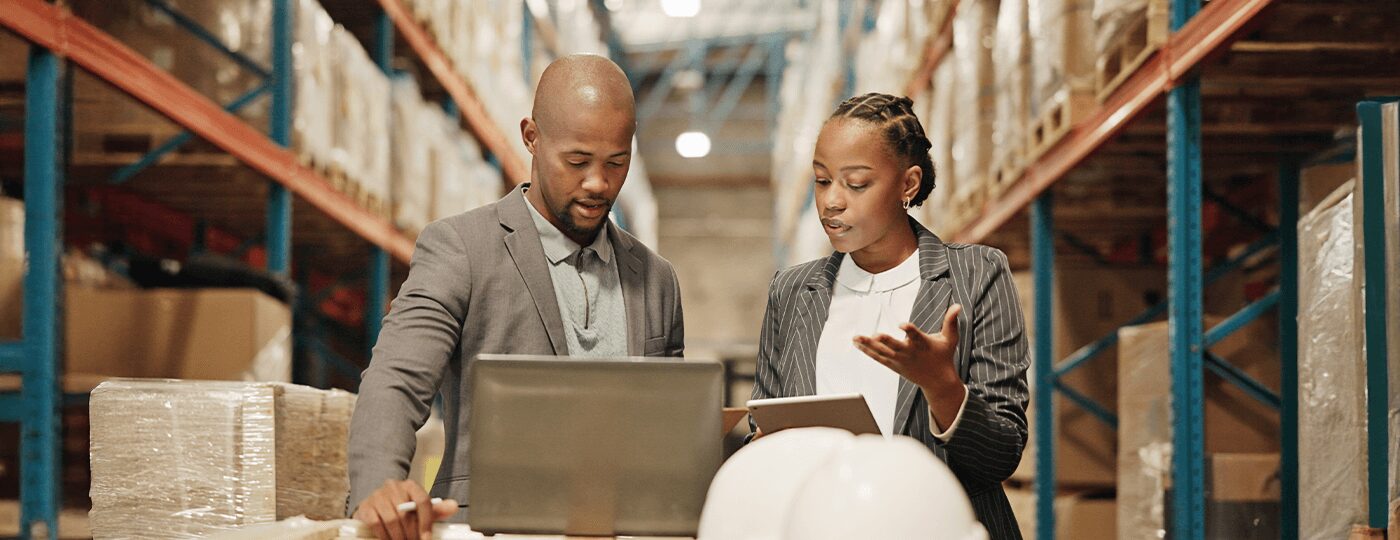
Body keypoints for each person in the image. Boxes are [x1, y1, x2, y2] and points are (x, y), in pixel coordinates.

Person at [347, 54, 685, 540]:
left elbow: (670, 431)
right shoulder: (462, 249)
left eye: (616, 162)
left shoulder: (657, 280)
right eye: (576, 161)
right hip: (490, 530)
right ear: (531, 136)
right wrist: (378, 489)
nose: (597, 183)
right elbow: (396, 380)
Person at [750, 92, 1029, 539]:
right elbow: (761, 429)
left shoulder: (977, 275)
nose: (832, 202)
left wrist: (943, 387)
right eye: (822, 182)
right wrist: (765, 448)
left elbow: (1001, 456)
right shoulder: (792, 291)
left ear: (908, 184)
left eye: (856, 183)